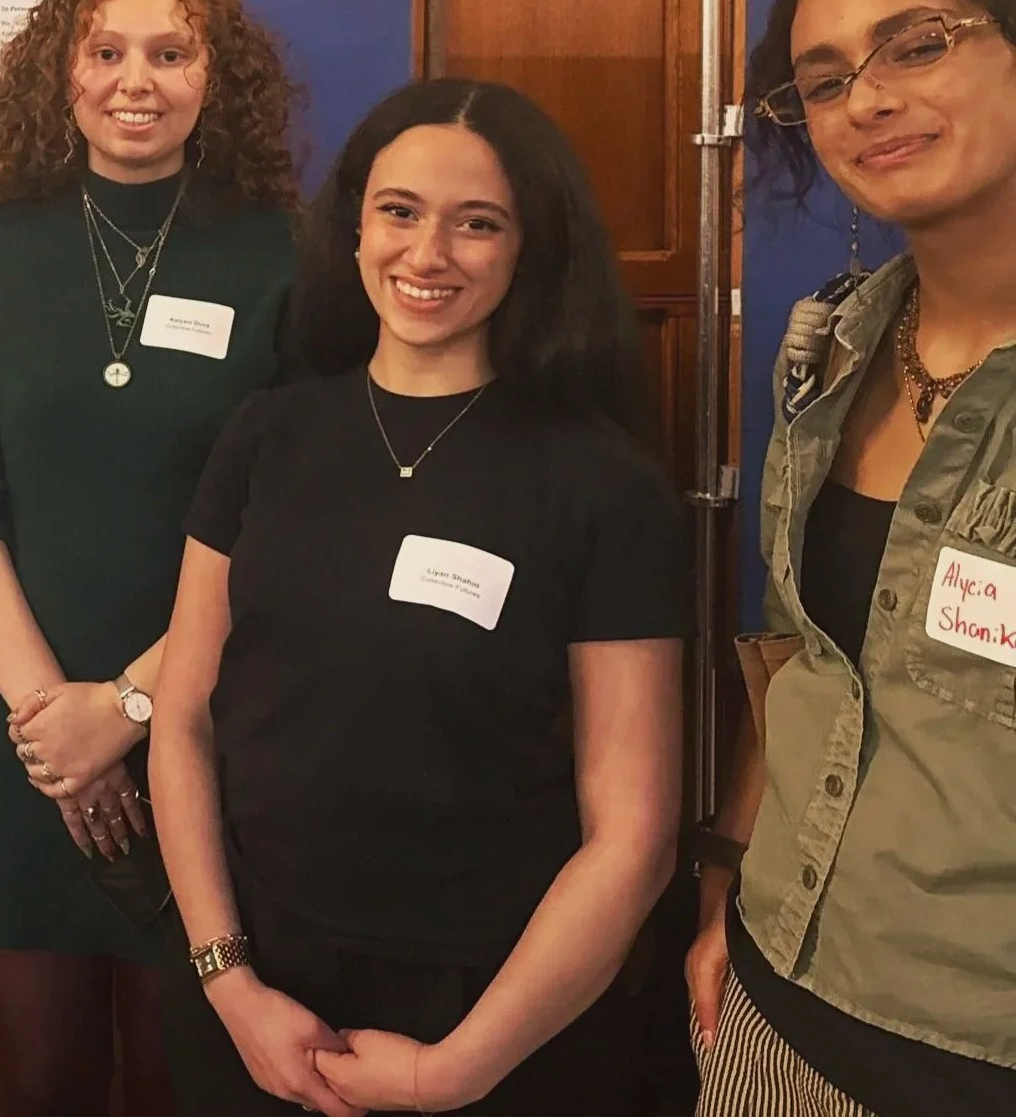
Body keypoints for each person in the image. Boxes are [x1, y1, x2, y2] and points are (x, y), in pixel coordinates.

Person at [150, 78, 688, 1115]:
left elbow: (632, 835)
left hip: (497, 1006)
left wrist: (460, 1065)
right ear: (353, 223)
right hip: (254, 982)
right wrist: (227, 977)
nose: (427, 253)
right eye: (399, 211)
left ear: (529, 247)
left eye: (475, 223)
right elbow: (181, 718)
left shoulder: (602, 484)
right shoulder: (267, 435)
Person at [0, 0, 302, 1116]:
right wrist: (53, 728)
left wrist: (128, 708)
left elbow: (291, 519)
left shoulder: (281, 251)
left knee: (187, 1065)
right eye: (108, 50)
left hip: (211, 715)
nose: (137, 79)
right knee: (46, 1078)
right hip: (19, 743)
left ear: (212, 76)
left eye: (170, 52)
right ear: (61, 71)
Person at [688, 0, 1016, 1114]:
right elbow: (796, 657)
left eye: (915, 45)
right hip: (781, 1002)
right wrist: (726, 879)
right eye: (823, 82)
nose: (866, 100)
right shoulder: (828, 350)